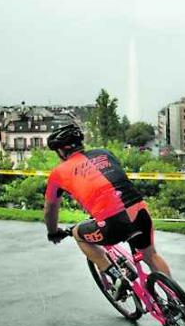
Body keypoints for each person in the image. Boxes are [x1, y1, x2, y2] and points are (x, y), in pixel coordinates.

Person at [42, 124, 170, 299]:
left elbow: (50, 210)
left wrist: (53, 232)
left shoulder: (58, 173)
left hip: (112, 222)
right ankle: (175, 301)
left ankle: (117, 277)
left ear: (62, 150)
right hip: (139, 210)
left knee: (77, 233)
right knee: (151, 256)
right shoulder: (105, 153)